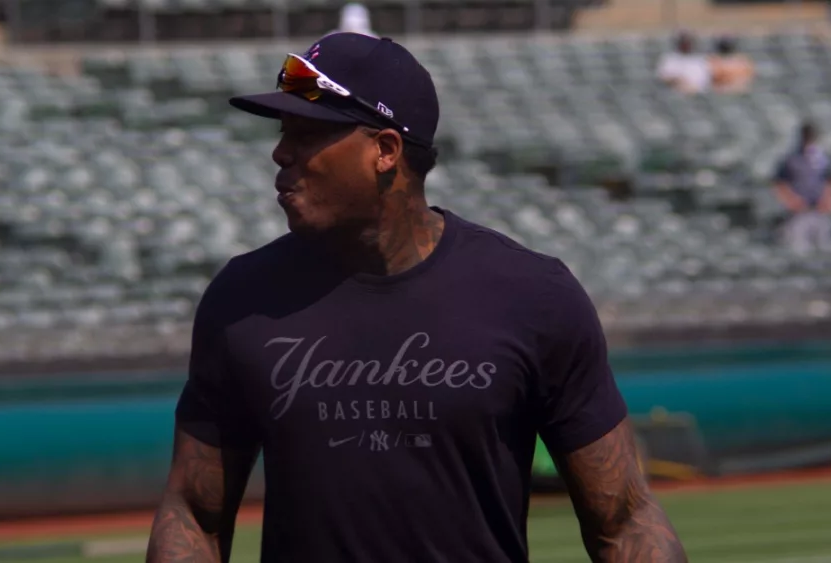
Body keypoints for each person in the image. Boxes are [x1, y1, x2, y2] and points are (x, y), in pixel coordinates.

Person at [146, 33, 687, 563]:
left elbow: (625, 523)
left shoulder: (534, 297)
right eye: (285, 131)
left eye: (307, 134)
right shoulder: (242, 299)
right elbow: (193, 515)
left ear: (385, 151)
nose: (280, 152)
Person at [773, 122, 831, 254]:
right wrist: (792, 201)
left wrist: (828, 201)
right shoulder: (791, 159)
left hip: (820, 211)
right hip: (798, 213)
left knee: (825, 249)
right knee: (799, 250)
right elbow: (779, 183)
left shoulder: (824, 159)